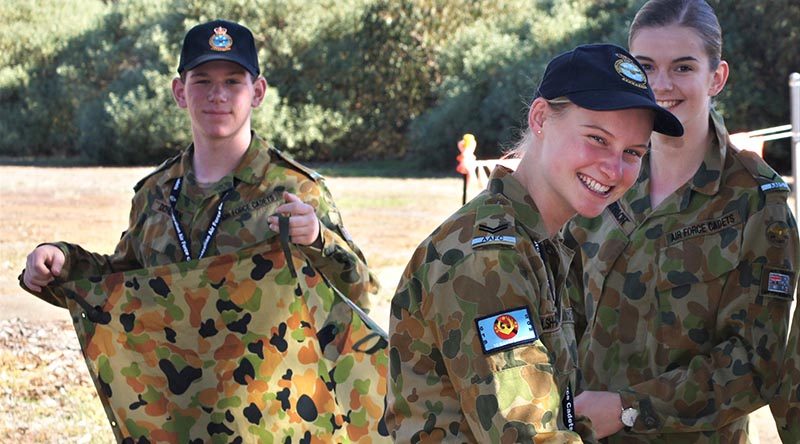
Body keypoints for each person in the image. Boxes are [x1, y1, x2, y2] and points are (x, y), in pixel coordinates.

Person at [19, 19, 386, 442]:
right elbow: (124, 284)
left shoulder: (293, 190)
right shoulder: (155, 194)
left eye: (233, 81)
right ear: (180, 92)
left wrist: (319, 238)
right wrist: (61, 264)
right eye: (202, 80)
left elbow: (358, 293)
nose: (217, 95)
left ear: (258, 92)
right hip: (178, 415)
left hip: (276, 417)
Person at [385, 43, 683, 443]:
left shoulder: (546, 241)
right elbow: (529, 435)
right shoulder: (488, 260)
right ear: (541, 118)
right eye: (597, 138)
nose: (614, 168)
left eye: (633, 152)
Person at [565, 1, 800, 442]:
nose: (661, 84)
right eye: (646, 66)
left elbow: (755, 365)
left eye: (683, 67)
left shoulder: (755, 204)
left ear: (717, 77)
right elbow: (561, 306)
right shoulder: (601, 175)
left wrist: (626, 408)